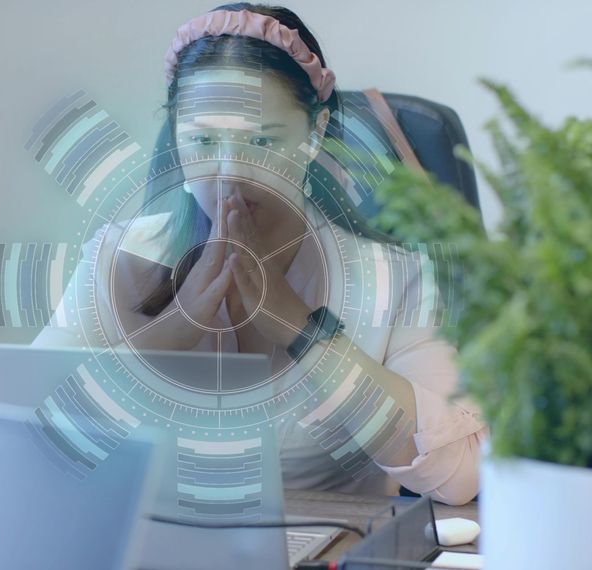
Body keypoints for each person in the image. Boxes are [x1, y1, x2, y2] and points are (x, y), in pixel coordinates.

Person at [33, 3, 487, 505]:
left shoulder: (395, 280)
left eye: (262, 141)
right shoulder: (118, 256)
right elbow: (27, 433)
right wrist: (172, 332)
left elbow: (461, 475)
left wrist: (303, 331)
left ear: (313, 136)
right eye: (202, 139)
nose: (230, 171)